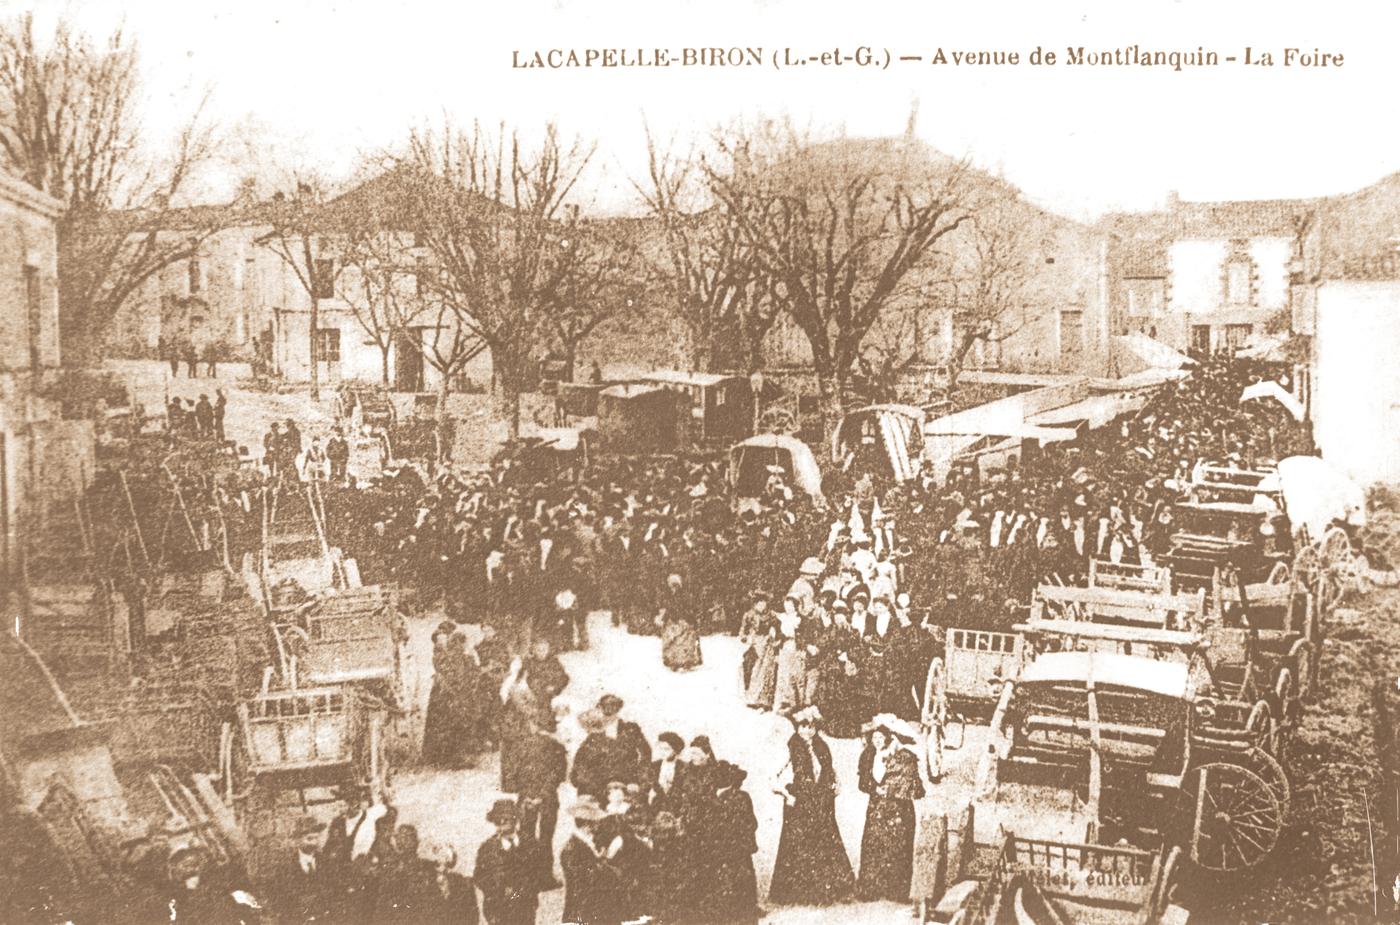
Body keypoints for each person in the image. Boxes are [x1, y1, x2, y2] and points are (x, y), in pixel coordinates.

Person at [767, 706, 855, 907]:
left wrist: (835, 785)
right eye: (803, 727)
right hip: (801, 804)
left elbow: (830, 770)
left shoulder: (822, 746)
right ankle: (802, 894)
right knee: (801, 846)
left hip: (822, 802)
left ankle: (831, 890)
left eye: (811, 727)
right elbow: (773, 776)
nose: (808, 731)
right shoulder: (791, 747)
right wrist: (787, 794)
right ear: (797, 728)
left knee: (826, 842)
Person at [856, 715, 925, 902]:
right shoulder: (868, 755)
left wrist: (893, 790)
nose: (877, 741)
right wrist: (874, 788)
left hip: (899, 810)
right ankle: (871, 889)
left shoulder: (904, 756)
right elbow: (862, 782)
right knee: (874, 845)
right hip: (877, 807)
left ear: (889, 738)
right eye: (873, 738)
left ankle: (896, 891)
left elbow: (917, 789)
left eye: (880, 738)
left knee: (898, 848)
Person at [474, 799, 544, 925]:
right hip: (498, 910)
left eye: (505, 819)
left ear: (515, 819)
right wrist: (498, 889)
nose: (501, 822)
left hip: (525, 908)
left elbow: (539, 874)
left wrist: (525, 890)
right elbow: (479, 877)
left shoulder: (530, 844)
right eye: (497, 820)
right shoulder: (487, 848)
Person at [514, 723, 568, 887]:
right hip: (548, 799)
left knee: (525, 835)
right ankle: (545, 877)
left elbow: (515, 773)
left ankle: (526, 876)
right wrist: (542, 795)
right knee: (546, 837)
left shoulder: (521, 744)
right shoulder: (557, 746)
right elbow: (558, 775)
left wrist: (529, 795)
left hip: (526, 799)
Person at [709, 760, 760, 925]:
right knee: (741, 880)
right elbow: (753, 823)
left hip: (732, 848)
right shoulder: (739, 796)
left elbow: (749, 823)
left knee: (736, 881)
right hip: (736, 848)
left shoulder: (732, 798)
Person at [560, 800, 626, 925]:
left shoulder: (583, 843)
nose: (598, 825)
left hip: (589, 908)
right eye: (596, 822)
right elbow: (582, 881)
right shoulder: (573, 848)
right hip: (585, 910)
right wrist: (608, 869)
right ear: (587, 824)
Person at [269, 814, 335, 924]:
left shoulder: (327, 862)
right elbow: (280, 901)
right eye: (309, 838)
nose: (314, 842)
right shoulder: (285, 867)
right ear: (297, 839)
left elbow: (334, 892)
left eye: (316, 838)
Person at [421, 842, 480, 925]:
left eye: (446, 858)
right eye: (437, 863)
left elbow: (472, 917)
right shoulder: (424, 884)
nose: (440, 865)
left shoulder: (463, 883)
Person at [658, 572, 702, 671]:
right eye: (672, 586)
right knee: (676, 641)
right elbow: (669, 610)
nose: (673, 588)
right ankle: (677, 661)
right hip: (677, 621)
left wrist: (690, 620)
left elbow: (686, 609)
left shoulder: (682, 596)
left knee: (681, 641)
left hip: (682, 622)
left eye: (675, 585)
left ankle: (683, 661)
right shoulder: (672, 597)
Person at [737, 589, 772, 692]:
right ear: (755, 604)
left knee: (766, 667)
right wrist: (746, 638)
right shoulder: (749, 615)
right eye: (759, 603)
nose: (762, 605)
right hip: (754, 642)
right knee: (749, 663)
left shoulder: (771, 614)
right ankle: (749, 689)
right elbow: (742, 631)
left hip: (766, 643)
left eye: (764, 603)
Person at [649, 731, 686, 817]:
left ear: (675, 750)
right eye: (660, 748)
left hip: (677, 808)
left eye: (666, 749)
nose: (662, 752)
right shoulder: (654, 766)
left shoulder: (683, 767)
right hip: (656, 807)